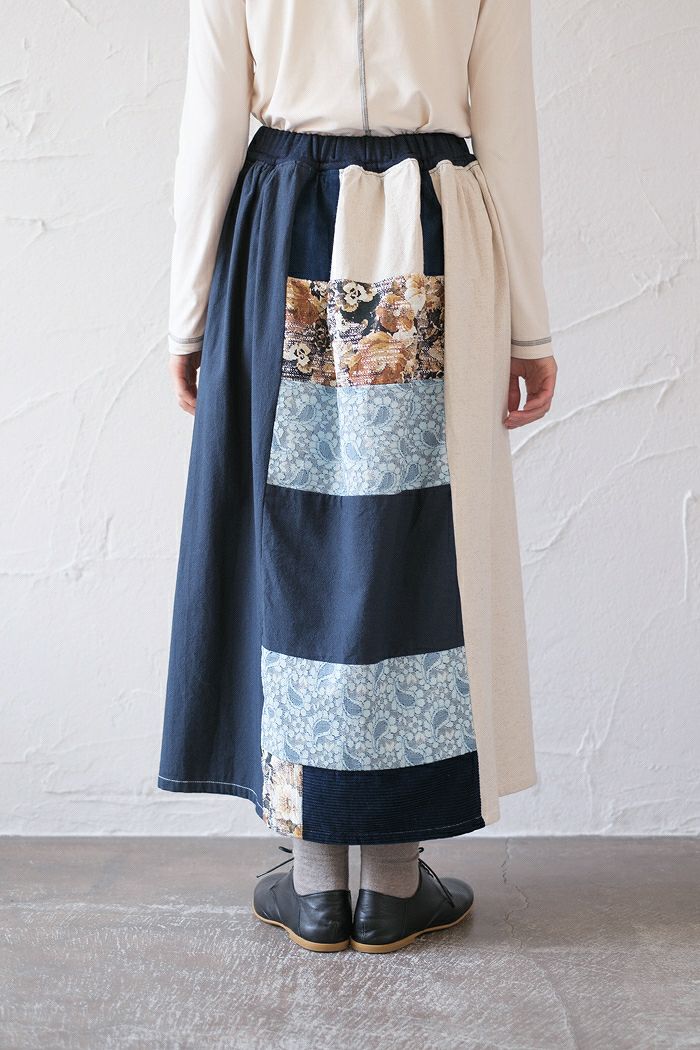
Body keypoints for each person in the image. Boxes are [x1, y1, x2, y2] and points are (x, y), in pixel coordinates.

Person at [158, 0, 557, 954]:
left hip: (285, 224)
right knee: (413, 542)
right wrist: (529, 325)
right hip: (433, 227)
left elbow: (210, 128)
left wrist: (187, 315)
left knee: (293, 535)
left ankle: (315, 883)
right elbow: (508, 134)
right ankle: (390, 881)